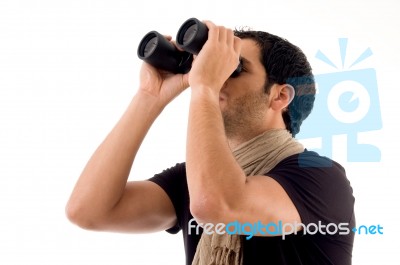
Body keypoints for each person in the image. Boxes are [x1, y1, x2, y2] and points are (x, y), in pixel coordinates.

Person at [66, 20, 355, 265]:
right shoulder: (193, 177)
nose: (216, 75)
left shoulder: (319, 176)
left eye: (234, 67)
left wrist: (205, 86)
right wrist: (149, 97)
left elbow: (217, 204)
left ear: (279, 96)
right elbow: (90, 211)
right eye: (216, 64)